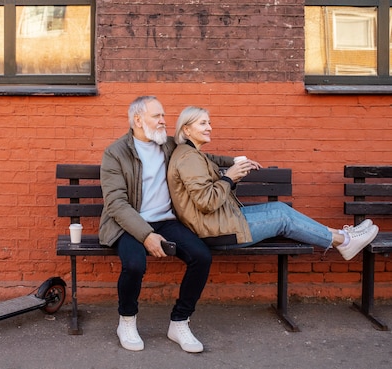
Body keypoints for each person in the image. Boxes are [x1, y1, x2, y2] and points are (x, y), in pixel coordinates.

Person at [166, 106, 379, 260]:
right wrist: (229, 177)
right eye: (203, 123)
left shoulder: (191, 153)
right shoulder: (189, 158)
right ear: (186, 130)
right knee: (282, 217)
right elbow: (206, 202)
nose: (210, 127)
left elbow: (212, 159)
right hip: (216, 231)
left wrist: (235, 161)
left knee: (278, 208)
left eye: (209, 122)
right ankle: (345, 242)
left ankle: (343, 235)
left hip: (220, 222)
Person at [99, 96, 223, 353]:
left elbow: (203, 157)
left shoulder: (169, 145)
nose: (164, 121)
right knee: (134, 264)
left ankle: (179, 321)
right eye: (157, 116)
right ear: (137, 120)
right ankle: (127, 320)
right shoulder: (115, 153)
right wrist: (146, 236)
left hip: (166, 221)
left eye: (163, 115)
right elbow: (116, 204)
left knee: (201, 256)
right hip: (129, 223)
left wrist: (236, 163)